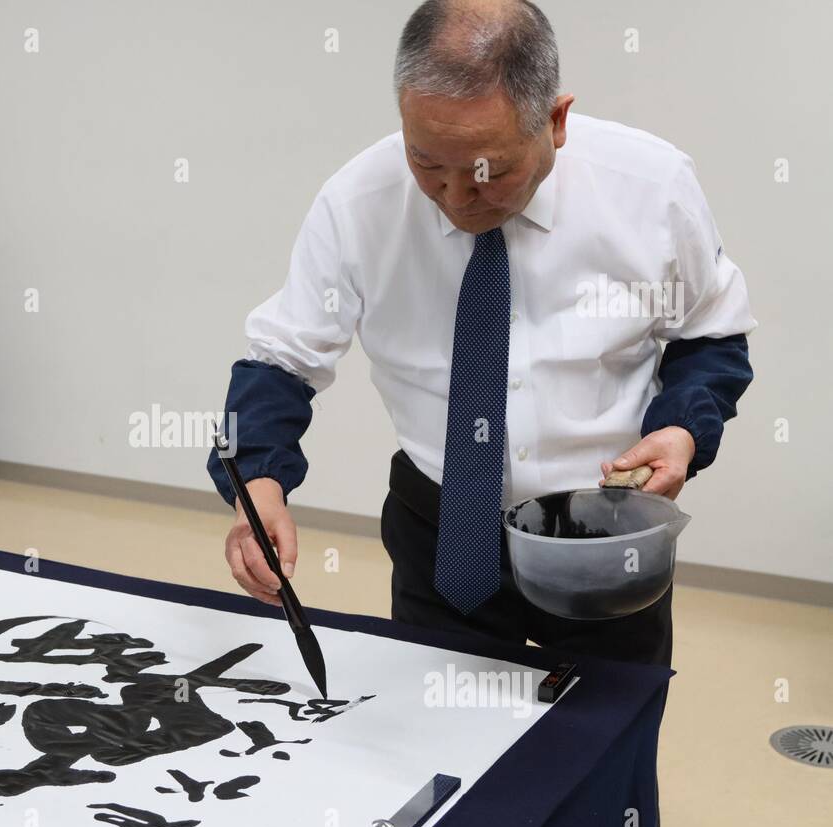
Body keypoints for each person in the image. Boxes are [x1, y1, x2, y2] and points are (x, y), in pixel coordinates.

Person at [207, 0, 756, 670]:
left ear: (554, 121)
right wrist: (256, 485)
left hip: (604, 529)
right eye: (427, 161)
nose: (456, 195)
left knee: (604, 747)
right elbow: (278, 361)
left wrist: (685, 430)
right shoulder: (358, 203)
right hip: (440, 531)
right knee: (441, 744)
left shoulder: (650, 187)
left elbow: (712, 334)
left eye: (487, 171)